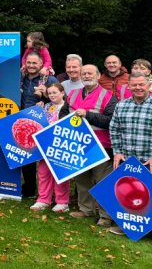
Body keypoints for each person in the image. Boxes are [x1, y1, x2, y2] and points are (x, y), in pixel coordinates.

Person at [62, 64, 118, 226]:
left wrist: (88, 115)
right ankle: (86, 209)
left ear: (99, 76)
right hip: (76, 144)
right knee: (81, 179)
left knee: (103, 182)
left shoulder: (108, 96)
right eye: (84, 73)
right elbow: (63, 113)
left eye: (90, 73)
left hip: (100, 146)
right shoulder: (73, 94)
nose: (86, 76)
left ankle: (106, 215)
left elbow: (111, 121)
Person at [110, 72, 152, 235]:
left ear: (149, 85)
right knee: (131, 195)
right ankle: (127, 226)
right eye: (134, 85)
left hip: (148, 159)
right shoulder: (121, 106)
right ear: (128, 87)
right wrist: (118, 152)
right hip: (129, 159)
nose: (138, 88)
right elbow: (114, 130)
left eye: (141, 84)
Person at [30, 83, 71, 212]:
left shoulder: (69, 107)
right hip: (46, 144)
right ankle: (43, 200)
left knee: (60, 173)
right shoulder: (47, 106)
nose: (52, 95)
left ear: (62, 93)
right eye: (50, 93)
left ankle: (62, 202)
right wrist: (38, 111)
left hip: (61, 145)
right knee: (43, 172)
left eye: (55, 92)